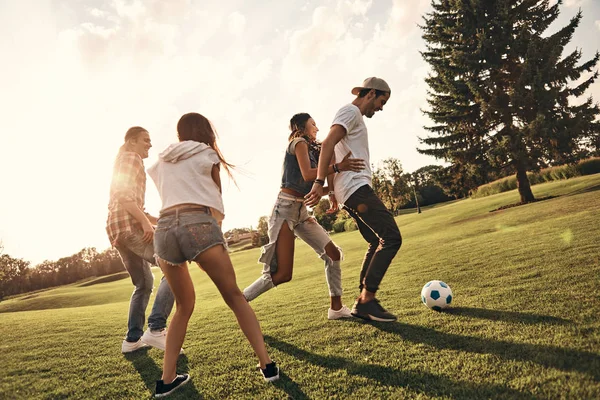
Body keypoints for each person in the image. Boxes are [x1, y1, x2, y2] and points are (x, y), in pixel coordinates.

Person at [147, 112, 279, 398]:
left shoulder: (160, 161)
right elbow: (216, 197)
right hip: (198, 223)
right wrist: (213, 231)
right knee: (234, 296)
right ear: (205, 131)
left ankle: (166, 380)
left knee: (183, 305)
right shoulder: (207, 153)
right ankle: (266, 365)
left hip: (165, 228)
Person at [243, 113, 365, 320]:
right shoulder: (298, 142)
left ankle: (336, 309)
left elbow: (317, 183)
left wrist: (334, 191)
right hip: (284, 210)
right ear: (301, 127)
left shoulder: (317, 150)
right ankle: (240, 299)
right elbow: (309, 175)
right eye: (313, 124)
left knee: (333, 255)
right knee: (282, 274)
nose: (317, 128)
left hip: (301, 212)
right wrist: (338, 167)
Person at [305, 77, 402, 322]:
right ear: (370, 94)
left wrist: (334, 192)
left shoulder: (351, 116)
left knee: (374, 240)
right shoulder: (351, 112)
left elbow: (335, 148)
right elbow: (328, 143)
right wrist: (320, 183)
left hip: (350, 190)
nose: (380, 108)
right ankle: (367, 300)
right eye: (381, 101)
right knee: (391, 237)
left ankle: (363, 302)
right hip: (356, 189)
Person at [106, 126, 176, 354]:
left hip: (118, 231)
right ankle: (156, 329)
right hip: (129, 228)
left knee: (144, 284)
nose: (150, 144)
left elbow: (134, 205)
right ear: (132, 141)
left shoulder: (124, 159)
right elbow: (125, 197)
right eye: (145, 140)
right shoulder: (131, 158)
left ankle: (132, 340)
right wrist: (146, 224)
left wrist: (161, 218)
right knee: (173, 263)